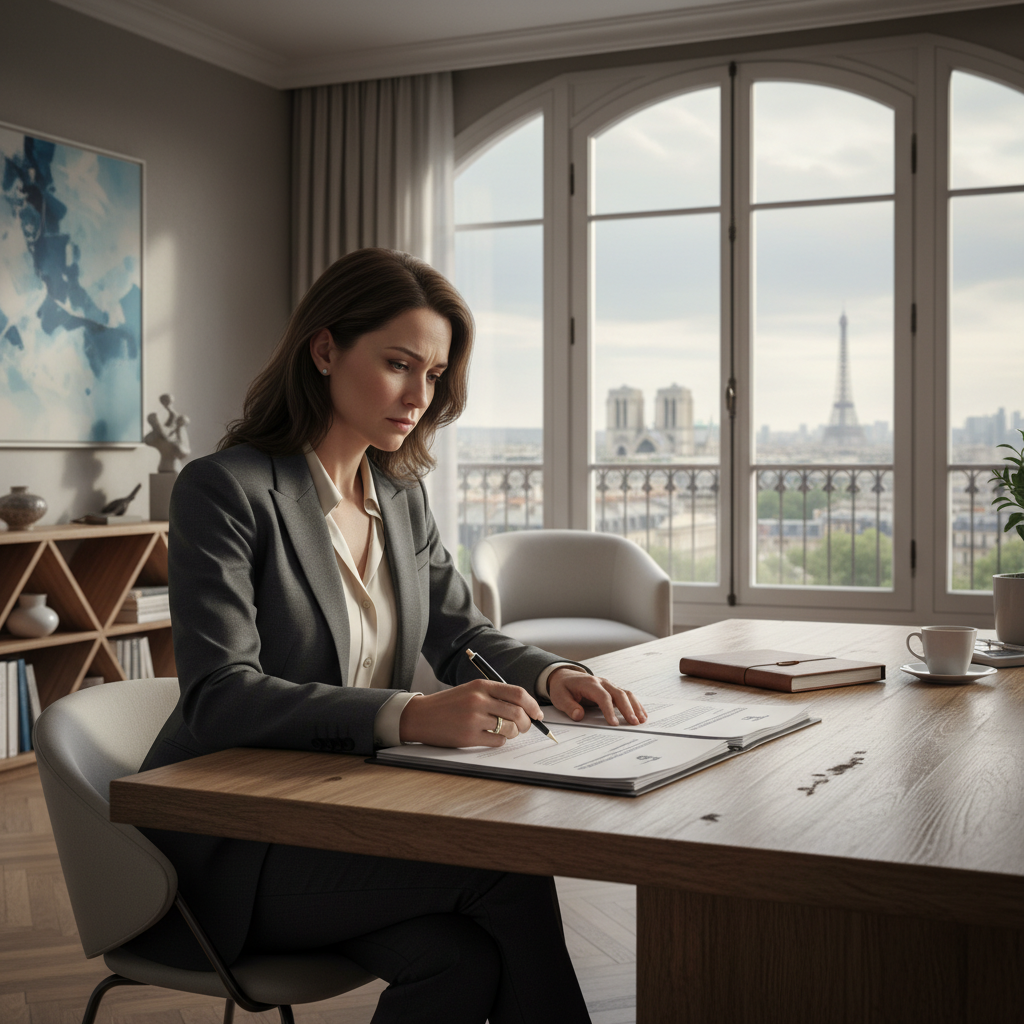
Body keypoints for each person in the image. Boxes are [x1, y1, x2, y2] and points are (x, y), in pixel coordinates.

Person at [129, 247, 647, 1024]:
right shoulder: (224, 490)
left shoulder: (399, 493)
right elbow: (220, 696)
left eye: (434, 375)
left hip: (339, 810)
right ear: (326, 348)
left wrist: (552, 675)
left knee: (461, 960)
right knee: (509, 872)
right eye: (400, 364)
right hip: (228, 847)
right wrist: (407, 714)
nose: (419, 395)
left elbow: (459, 629)